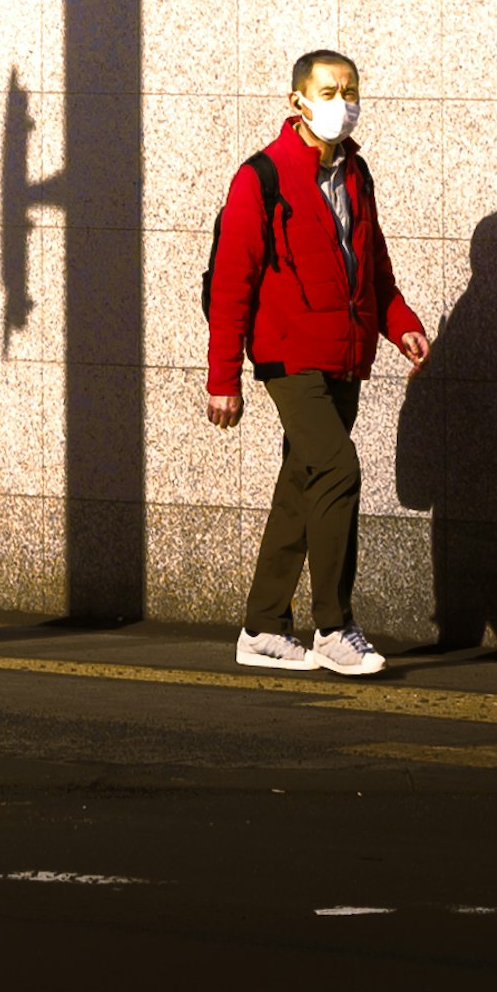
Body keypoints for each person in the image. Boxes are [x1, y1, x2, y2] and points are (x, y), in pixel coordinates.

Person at [203, 42, 426, 675]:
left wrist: (400, 325)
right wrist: (224, 378)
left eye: (350, 92)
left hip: (345, 354)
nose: (343, 105)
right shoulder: (262, 176)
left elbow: (372, 266)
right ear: (296, 101)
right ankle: (333, 626)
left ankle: (263, 628)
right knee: (337, 470)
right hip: (288, 356)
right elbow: (232, 283)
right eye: (329, 94)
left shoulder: (355, 174)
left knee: (302, 486)